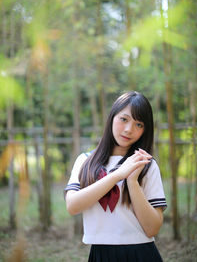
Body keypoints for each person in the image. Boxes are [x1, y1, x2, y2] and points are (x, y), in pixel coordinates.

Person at [64, 91, 167, 262]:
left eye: (139, 124)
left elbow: (152, 229)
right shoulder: (85, 161)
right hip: (100, 254)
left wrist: (132, 181)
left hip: (141, 253)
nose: (129, 129)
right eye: (124, 119)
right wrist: (118, 175)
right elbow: (73, 206)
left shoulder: (147, 165)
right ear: (112, 117)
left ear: (145, 130)